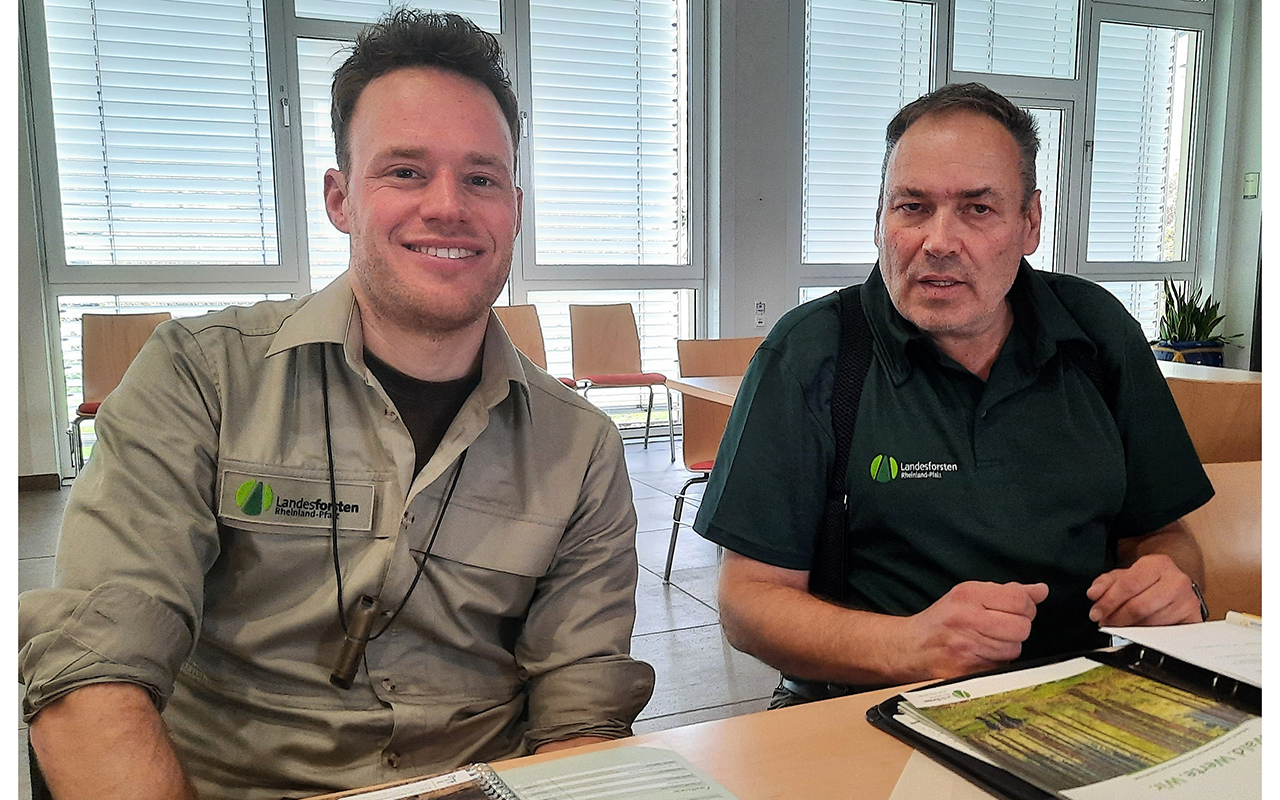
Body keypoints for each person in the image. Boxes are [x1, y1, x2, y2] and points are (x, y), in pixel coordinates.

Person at [19, 11, 654, 799]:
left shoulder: (580, 446)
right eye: (405, 172)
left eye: (481, 178)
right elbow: (94, 670)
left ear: (515, 209)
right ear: (340, 197)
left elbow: (581, 718)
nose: (448, 206)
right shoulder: (199, 378)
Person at [693, 83, 1214, 707]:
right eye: (911, 207)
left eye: (977, 209)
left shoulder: (1097, 332)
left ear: (1029, 224)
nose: (937, 240)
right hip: (871, 704)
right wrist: (910, 646)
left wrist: (1171, 583)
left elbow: (1166, 538)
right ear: (881, 219)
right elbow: (747, 603)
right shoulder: (813, 353)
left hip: (1089, 693)